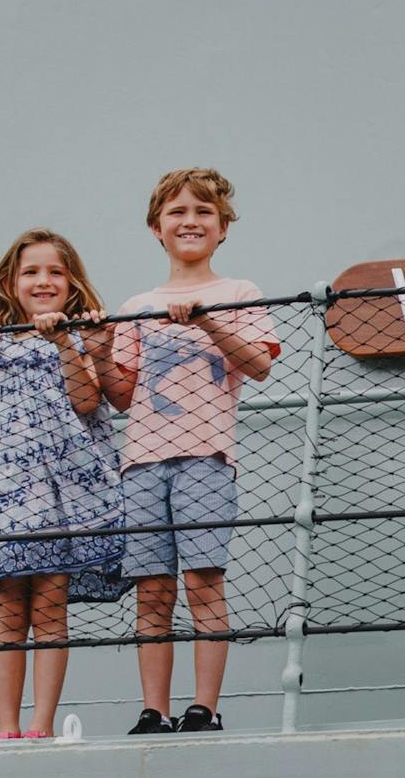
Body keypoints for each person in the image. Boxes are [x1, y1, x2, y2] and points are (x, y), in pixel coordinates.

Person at [90, 168, 278, 734]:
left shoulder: (239, 293)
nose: (190, 221)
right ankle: (154, 709)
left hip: (206, 457)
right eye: (177, 212)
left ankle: (205, 707)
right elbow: (122, 396)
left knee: (202, 580)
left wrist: (208, 323)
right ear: (157, 228)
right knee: (152, 590)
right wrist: (99, 349)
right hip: (141, 464)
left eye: (203, 212)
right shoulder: (138, 304)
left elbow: (260, 365)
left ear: (223, 228)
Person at [0, 228, 126, 741]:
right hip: (14, 491)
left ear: (72, 283)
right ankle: (6, 726)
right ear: (11, 282)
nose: (43, 281)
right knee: (8, 604)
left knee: (49, 603)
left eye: (55, 272)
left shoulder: (84, 335)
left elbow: (87, 401)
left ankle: (41, 724)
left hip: (66, 494)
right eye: (31, 272)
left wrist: (64, 341)